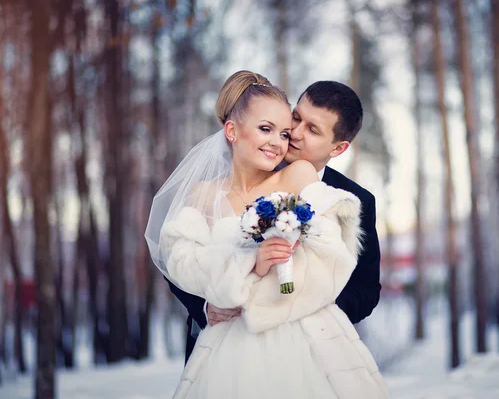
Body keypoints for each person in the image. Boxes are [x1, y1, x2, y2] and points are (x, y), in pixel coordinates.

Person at [146, 70, 388, 398]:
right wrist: (209, 304)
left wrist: (296, 310)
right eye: (295, 120)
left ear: (338, 147)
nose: (293, 136)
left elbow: (362, 288)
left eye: (311, 129)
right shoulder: (229, 174)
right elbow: (181, 260)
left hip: (304, 349)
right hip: (221, 346)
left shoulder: (343, 195)